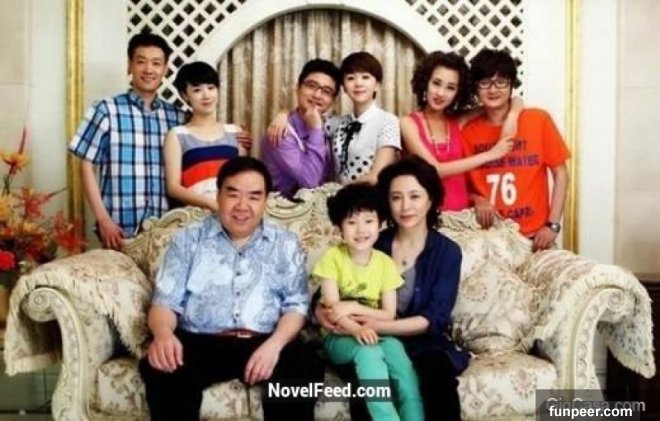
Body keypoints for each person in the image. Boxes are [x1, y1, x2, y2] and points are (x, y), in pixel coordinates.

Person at [139, 157, 324, 420]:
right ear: (218, 195)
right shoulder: (188, 239)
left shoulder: (285, 243)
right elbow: (165, 303)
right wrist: (163, 334)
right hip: (201, 341)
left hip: (266, 339)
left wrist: (274, 346)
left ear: (265, 201)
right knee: (161, 367)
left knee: (304, 365)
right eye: (233, 194)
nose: (242, 206)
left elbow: (296, 306)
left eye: (254, 196)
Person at [317, 156, 468, 421]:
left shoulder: (447, 252)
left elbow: (435, 317)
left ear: (430, 199)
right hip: (363, 338)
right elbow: (330, 293)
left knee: (436, 376)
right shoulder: (371, 240)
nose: (405, 206)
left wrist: (375, 326)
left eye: (414, 196)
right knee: (367, 378)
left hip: (420, 342)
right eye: (396, 197)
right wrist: (323, 313)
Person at [314, 183, 423, 421]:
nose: (361, 229)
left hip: (376, 332)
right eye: (352, 222)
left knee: (401, 362)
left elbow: (388, 314)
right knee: (369, 353)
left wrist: (354, 307)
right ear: (339, 229)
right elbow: (333, 311)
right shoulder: (332, 258)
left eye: (368, 221)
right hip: (339, 337)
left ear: (380, 224)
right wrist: (357, 329)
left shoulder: (384, 263)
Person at [69, 33, 186, 249]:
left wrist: (236, 136)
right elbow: (86, 167)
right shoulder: (106, 110)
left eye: (156, 63)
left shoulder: (177, 117)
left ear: (166, 69)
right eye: (141, 61)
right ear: (129, 65)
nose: (149, 69)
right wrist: (103, 220)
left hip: (168, 235)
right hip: (120, 233)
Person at [461, 48, 570, 250]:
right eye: (485, 82)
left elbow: (560, 173)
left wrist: (552, 225)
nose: (493, 90)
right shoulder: (466, 132)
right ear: (475, 88)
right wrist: (476, 199)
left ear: (511, 84)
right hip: (489, 240)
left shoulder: (538, 120)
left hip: (534, 237)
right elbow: (458, 185)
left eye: (501, 82)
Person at [401, 51, 518, 211]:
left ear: (458, 93)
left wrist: (513, 114)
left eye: (451, 88)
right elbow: (434, 171)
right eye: (436, 83)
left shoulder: (458, 121)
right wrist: (491, 154)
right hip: (429, 217)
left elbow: (506, 101)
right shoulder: (408, 123)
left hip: (464, 216)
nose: (441, 93)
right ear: (425, 82)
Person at [165, 61, 248, 211]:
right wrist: (211, 204)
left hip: (233, 212)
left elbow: (244, 178)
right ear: (185, 95)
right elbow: (173, 187)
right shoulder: (177, 135)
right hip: (196, 215)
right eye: (197, 90)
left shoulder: (235, 132)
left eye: (211, 88)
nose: (206, 95)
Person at [261, 59, 342, 198]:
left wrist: (284, 112)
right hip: (286, 209)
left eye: (326, 91)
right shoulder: (281, 132)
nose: (317, 95)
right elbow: (310, 183)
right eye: (311, 86)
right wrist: (315, 130)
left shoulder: (330, 127)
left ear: (332, 101)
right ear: (298, 88)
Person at [331, 52, 400, 184]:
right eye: (350, 78)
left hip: (371, 195)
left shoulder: (388, 121)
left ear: (377, 85)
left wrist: (339, 192)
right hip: (337, 196)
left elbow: (377, 176)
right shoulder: (335, 123)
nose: (358, 83)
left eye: (365, 77)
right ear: (343, 87)